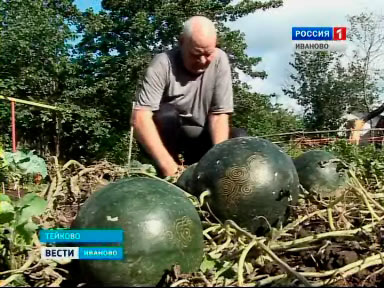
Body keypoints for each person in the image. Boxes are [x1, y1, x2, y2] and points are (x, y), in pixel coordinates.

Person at [131, 15, 247, 177]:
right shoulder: (162, 63)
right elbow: (140, 118)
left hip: (201, 140)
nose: (202, 60)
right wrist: (169, 168)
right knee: (166, 115)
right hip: (169, 141)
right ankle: (166, 174)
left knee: (239, 138)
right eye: (195, 54)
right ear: (181, 42)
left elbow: (219, 115)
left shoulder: (220, 60)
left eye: (208, 54)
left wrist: (219, 162)